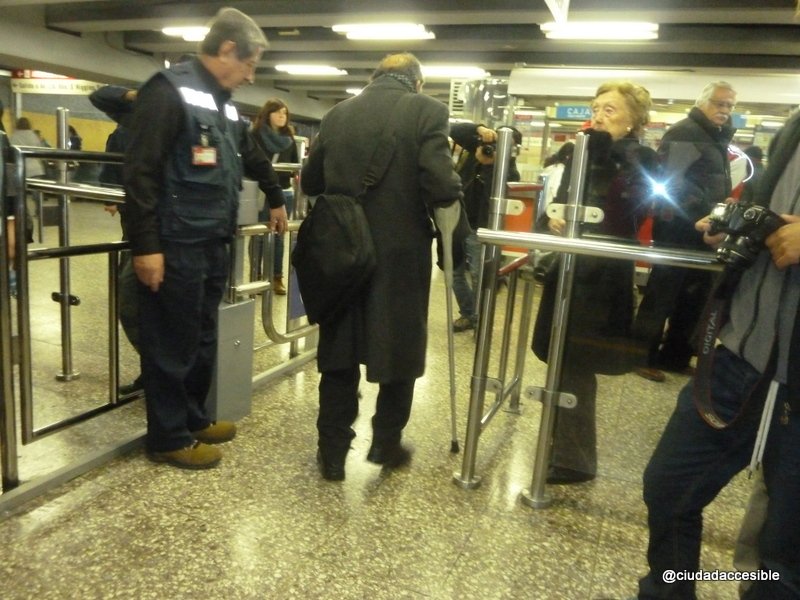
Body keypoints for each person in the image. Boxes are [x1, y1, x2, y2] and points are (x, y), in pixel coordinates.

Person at [635, 103, 800, 600]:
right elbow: (765, 197)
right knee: (668, 488)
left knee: (784, 555)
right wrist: (733, 219)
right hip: (738, 359)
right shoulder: (796, 122)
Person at [123, 7, 287, 470]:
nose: (250, 75)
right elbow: (141, 174)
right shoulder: (167, 91)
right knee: (171, 342)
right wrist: (147, 246)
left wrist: (275, 196)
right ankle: (168, 436)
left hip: (213, 238)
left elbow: (250, 153)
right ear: (228, 50)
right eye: (250, 64)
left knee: (200, 337)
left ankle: (193, 418)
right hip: (174, 243)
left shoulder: (223, 102)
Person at [300, 52, 462, 481]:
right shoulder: (428, 110)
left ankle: (332, 453)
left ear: (375, 77)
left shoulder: (337, 113)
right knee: (399, 345)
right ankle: (385, 444)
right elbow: (442, 184)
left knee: (339, 349)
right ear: (417, 82)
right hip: (400, 253)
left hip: (341, 251)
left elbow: (311, 181)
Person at [532, 81, 658, 484]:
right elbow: (565, 199)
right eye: (596, 107)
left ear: (634, 120)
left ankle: (574, 459)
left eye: (611, 110)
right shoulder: (580, 151)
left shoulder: (642, 159)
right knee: (561, 358)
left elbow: (635, 210)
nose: (599, 116)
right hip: (570, 265)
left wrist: (613, 159)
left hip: (602, 275)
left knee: (576, 361)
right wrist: (554, 216)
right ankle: (565, 448)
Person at [635, 81, 737, 383]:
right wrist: (701, 214)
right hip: (679, 225)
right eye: (720, 103)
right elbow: (674, 182)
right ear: (703, 102)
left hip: (703, 226)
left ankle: (675, 356)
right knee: (663, 292)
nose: (725, 110)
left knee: (694, 294)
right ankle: (642, 355)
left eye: (730, 105)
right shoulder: (685, 133)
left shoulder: (712, 136)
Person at [89, 85, 142, 395]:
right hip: (135, 227)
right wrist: (133, 95)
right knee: (133, 304)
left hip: (162, 230)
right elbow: (99, 96)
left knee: (135, 303)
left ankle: (164, 373)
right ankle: (156, 370)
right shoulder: (134, 117)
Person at [448, 122, 521, 332]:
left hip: (481, 229)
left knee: (480, 275)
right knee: (455, 274)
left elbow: (494, 197)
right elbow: (453, 130)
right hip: (458, 222)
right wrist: (480, 129)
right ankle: (469, 313)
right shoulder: (475, 150)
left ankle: (480, 318)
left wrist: (491, 165)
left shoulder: (510, 172)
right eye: (497, 142)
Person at [249, 97, 298, 295]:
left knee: (279, 237)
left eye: (285, 113)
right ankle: (256, 276)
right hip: (261, 193)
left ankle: (276, 277)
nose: (281, 116)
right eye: (278, 112)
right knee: (258, 235)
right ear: (267, 114)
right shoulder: (255, 135)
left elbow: (294, 165)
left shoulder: (289, 140)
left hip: (284, 192)